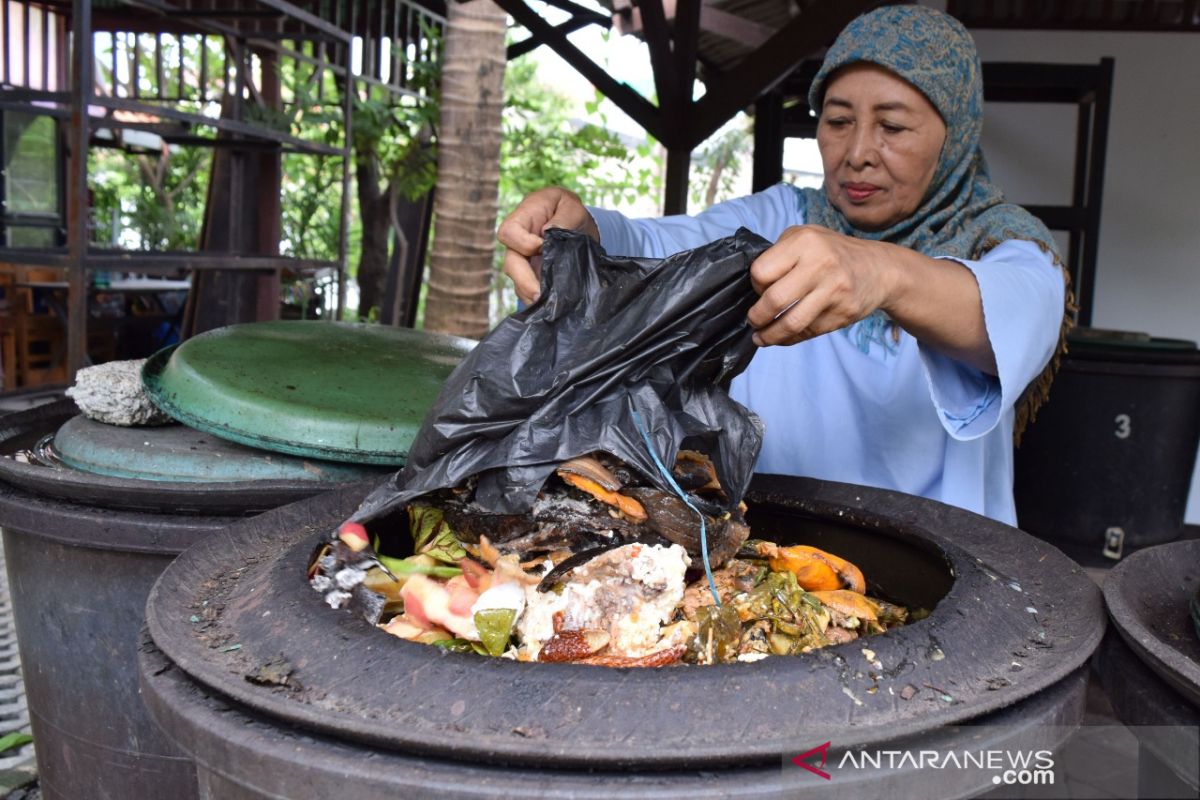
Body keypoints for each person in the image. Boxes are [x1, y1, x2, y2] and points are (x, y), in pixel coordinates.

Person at [497, 5, 1071, 526]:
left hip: (937, 566)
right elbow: (663, 246)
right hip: (776, 547)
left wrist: (884, 272)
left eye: (892, 127)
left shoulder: (1006, 244)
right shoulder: (784, 217)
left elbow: (1014, 313)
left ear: (956, 138)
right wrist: (583, 234)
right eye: (838, 120)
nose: (858, 152)